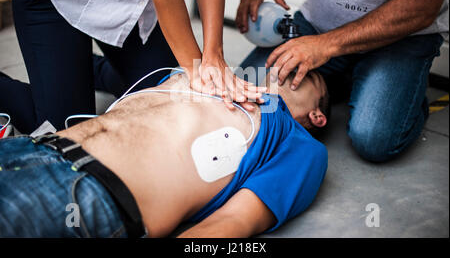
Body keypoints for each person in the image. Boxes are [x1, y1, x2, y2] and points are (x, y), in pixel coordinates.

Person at [0, 69, 329, 238]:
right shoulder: (213, 76)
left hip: (85, 195)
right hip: (29, 146)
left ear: (318, 115)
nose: (292, 67)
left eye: (308, 74)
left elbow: (232, 223)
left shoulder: (301, 145)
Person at [0, 0, 263, 134]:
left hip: (125, 1)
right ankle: (57, 70)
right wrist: (196, 72)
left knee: (170, 97)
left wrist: (213, 55)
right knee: (71, 132)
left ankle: (78, 66)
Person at [236, 0, 449, 162]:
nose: (278, 80)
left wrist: (325, 45)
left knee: (373, 139)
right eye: (291, 76)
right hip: (318, 26)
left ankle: (406, 98)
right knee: (239, 89)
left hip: (400, 37)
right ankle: (350, 80)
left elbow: (421, 6)